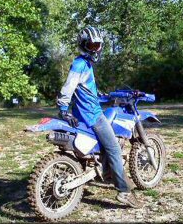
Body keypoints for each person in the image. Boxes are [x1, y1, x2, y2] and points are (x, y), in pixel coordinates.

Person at [56, 26, 143, 208]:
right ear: (83, 45)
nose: (96, 49)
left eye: (98, 45)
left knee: (106, 146)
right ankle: (124, 192)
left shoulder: (86, 64)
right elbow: (69, 86)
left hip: (85, 113)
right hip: (93, 116)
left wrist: (103, 96)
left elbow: (84, 90)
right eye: (92, 45)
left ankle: (105, 171)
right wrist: (63, 108)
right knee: (114, 150)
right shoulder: (80, 64)